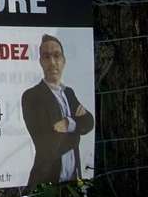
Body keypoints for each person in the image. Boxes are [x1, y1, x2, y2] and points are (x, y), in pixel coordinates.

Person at [21, 34, 94, 188]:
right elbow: (46, 145)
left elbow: (89, 122)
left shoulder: (69, 93)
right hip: (47, 184)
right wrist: (77, 132)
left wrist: (69, 124)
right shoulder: (32, 96)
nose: (52, 62)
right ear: (40, 61)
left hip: (74, 182)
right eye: (46, 57)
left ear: (64, 61)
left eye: (56, 55)